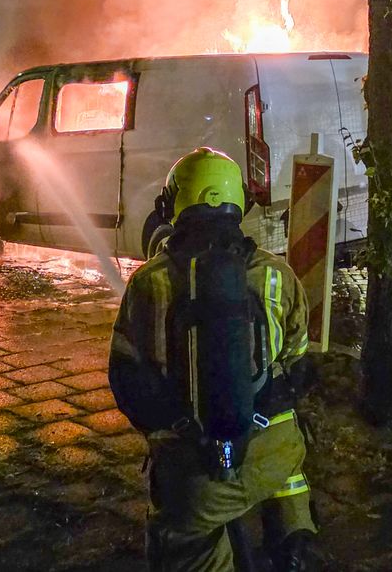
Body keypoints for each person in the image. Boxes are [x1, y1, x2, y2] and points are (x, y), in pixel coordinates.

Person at [109, 147, 320, 571]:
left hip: (197, 477)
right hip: (273, 460)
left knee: (182, 540)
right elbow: (300, 366)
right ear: (238, 203)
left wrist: (168, 433)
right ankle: (295, 539)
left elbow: (125, 377)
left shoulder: (148, 283)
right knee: (287, 446)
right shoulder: (278, 275)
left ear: (173, 206)